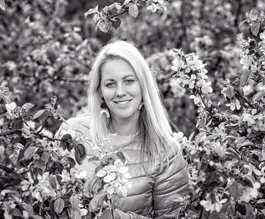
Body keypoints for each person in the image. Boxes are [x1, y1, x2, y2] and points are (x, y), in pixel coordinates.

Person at [56, 40, 189, 218]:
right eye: (110, 84)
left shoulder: (166, 152)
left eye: (129, 81)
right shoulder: (73, 133)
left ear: (143, 86)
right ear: (100, 91)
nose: (120, 92)